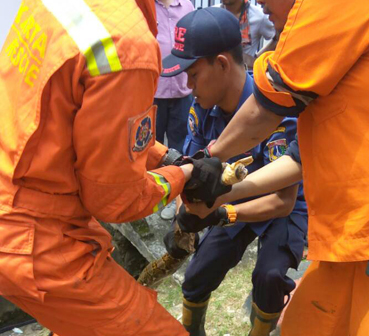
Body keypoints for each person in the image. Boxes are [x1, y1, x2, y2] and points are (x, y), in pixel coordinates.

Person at [187, 0, 369, 335]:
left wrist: (209, 160)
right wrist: (221, 193)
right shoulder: (340, 54)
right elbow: (297, 160)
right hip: (364, 237)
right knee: (305, 324)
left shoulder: (339, 7)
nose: (258, 2)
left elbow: (266, 108)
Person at [0, 1, 229, 335]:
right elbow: (114, 200)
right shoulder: (126, 45)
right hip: (37, 239)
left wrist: (166, 157)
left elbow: (88, 128)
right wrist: (182, 176)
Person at [161, 7, 307, 336]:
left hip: (282, 206)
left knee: (268, 279)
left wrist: (219, 214)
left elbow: (282, 202)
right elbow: (192, 172)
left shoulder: (278, 111)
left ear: (222, 64)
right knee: (197, 275)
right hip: (230, 204)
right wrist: (184, 220)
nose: (187, 85)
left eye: (193, 74)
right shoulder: (201, 110)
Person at [154, 0, 194, 220]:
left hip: (182, 91)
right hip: (154, 91)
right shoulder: (145, 6)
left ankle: (174, 197)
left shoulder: (186, 6)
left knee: (180, 149)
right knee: (151, 147)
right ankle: (149, 196)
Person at [218, 0, 275, 69]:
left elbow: (279, 39)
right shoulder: (213, 13)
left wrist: (257, 59)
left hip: (243, 74)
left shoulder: (258, 16)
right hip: (216, 71)